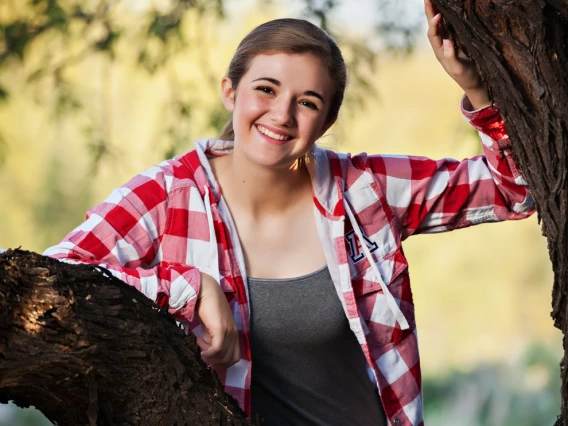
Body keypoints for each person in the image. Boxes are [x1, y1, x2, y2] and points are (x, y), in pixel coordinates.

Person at [44, 1, 535, 425]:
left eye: (307, 102)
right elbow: (47, 282)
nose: (281, 115)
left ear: (327, 121)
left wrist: (475, 88)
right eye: (266, 89)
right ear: (230, 91)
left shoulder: (363, 190)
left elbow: (512, 189)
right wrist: (189, 289)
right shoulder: (168, 195)